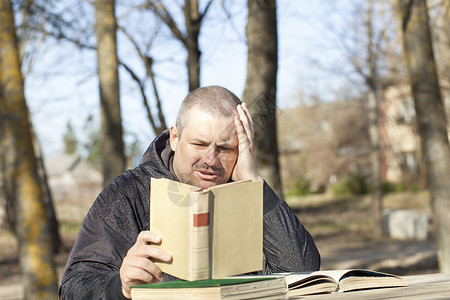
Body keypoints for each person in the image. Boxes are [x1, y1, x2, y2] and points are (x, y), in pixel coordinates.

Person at [59, 86, 320, 299]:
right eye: (199, 144)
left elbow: (303, 273)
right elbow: (73, 288)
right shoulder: (127, 193)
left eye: (225, 148)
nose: (210, 159)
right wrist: (120, 287)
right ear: (175, 138)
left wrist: (253, 184)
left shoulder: (250, 193)